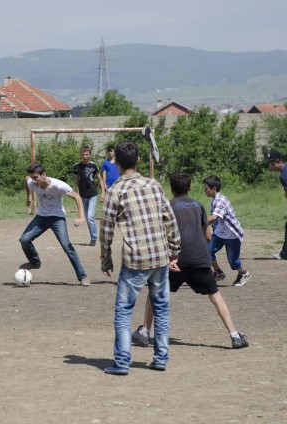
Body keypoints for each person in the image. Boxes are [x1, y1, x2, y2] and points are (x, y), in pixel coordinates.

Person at [132, 171, 249, 350]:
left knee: (154, 292)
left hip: (176, 261)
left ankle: (145, 332)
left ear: (171, 189)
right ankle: (235, 336)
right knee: (215, 295)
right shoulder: (198, 205)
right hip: (199, 259)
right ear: (189, 187)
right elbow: (208, 234)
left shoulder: (168, 206)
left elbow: (163, 233)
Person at [100, 141, 180, 375]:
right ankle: (161, 358)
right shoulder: (154, 185)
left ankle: (122, 362)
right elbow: (170, 219)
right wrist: (174, 251)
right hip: (159, 257)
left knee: (124, 311)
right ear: (138, 160)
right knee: (161, 308)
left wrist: (106, 260)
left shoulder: (115, 190)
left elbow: (106, 230)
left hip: (135, 260)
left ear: (116, 162)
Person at [20, 163, 91, 286]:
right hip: (41, 217)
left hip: (57, 218)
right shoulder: (31, 182)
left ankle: (82, 277)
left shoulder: (59, 185)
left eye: (35, 177)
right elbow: (26, 180)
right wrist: (28, 197)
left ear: (44, 175)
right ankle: (35, 262)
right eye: (32, 177)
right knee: (24, 239)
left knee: (67, 246)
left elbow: (77, 197)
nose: (33, 181)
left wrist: (81, 217)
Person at [202, 176, 251, 287]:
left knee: (233, 263)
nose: (205, 191)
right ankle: (218, 272)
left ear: (214, 188)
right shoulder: (214, 200)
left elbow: (214, 217)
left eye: (206, 189)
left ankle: (243, 273)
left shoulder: (220, 201)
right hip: (220, 233)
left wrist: (199, 222)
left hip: (231, 235)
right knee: (207, 252)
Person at [73, 147, 106, 246]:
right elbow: (77, 181)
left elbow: (99, 179)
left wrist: (103, 192)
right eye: (83, 154)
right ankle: (93, 236)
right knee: (87, 218)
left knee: (90, 216)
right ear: (80, 155)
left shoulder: (93, 165)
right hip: (83, 195)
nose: (84, 156)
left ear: (90, 155)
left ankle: (94, 238)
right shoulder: (76, 166)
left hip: (92, 194)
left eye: (86, 154)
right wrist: (77, 194)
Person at [266, 150, 287, 260]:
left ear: (280, 162)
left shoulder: (283, 176)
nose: (271, 166)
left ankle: (285, 254)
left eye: (272, 163)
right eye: (269, 163)